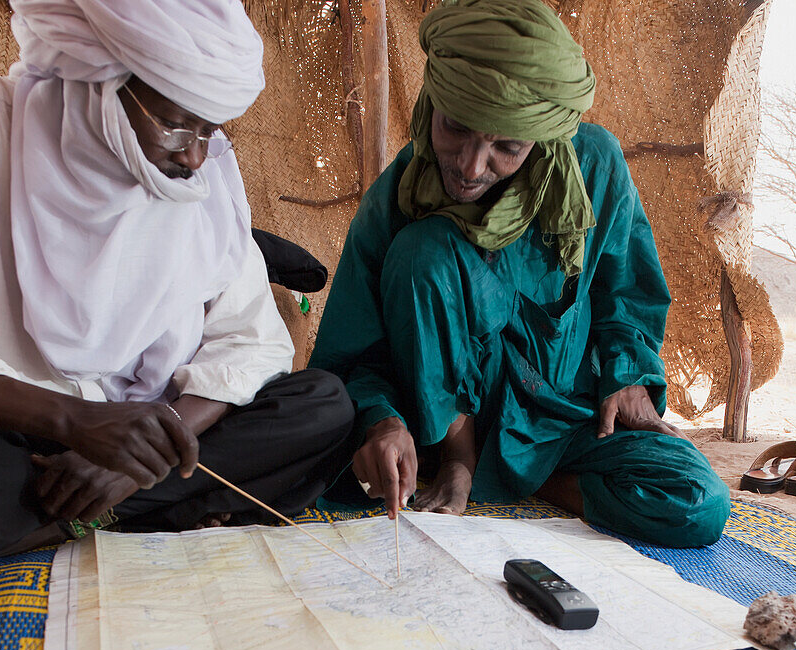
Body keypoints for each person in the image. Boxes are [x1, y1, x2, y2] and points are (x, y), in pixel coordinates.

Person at [0, 0, 353, 575]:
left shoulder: (204, 180)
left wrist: (139, 455)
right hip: (4, 438)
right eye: (177, 125)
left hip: (143, 453)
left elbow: (251, 342)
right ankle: (136, 513)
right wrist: (72, 421)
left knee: (323, 405)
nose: (196, 157)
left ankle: (48, 524)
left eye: (211, 131)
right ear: (100, 83)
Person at [309, 0, 728, 548]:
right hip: (435, 433)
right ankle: (464, 464)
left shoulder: (595, 167)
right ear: (434, 100)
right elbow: (355, 356)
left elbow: (627, 291)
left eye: (506, 146)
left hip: (563, 422)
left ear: (543, 138)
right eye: (455, 128)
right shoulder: (393, 202)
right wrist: (383, 422)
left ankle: (529, 481)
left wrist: (627, 372)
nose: (469, 166)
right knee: (424, 251)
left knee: (697, 504)